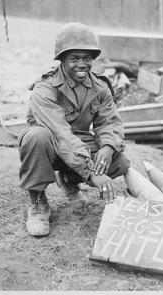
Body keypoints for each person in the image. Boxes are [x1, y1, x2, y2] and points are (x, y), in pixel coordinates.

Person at [18, 22, 130, 237]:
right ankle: (38, 201)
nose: (82, 64)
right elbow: (59, 133)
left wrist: (107, 146)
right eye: (74, 58)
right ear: (61, 60)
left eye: (87, 58)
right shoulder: (45, 88)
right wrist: (91, 172)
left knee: (120, 161)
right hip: (49, 142)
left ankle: (69, 179)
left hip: (76, 143)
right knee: (36, 137)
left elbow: (110, 122)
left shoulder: (99, 86)